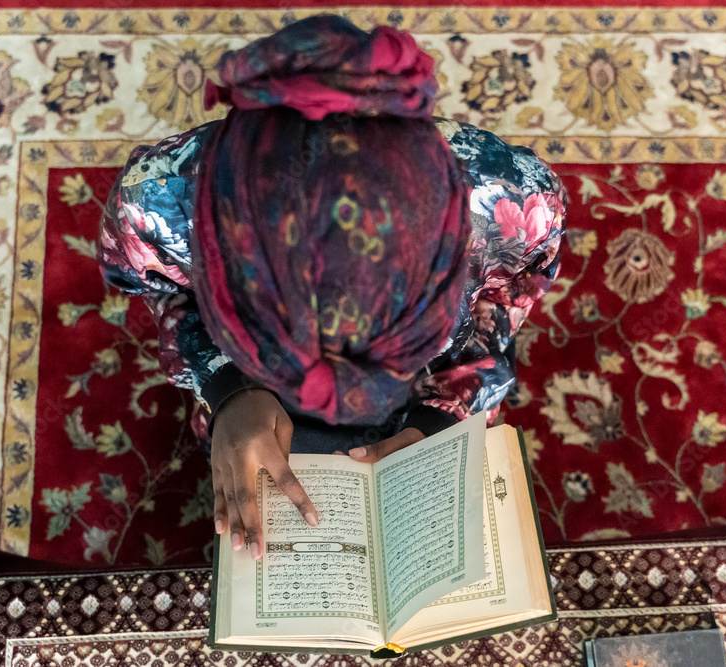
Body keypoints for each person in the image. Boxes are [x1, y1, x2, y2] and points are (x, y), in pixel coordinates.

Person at [98, 14, 567, 562]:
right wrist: (228, 389)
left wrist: (444, 415)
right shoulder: (154, 204)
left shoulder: (514, 200)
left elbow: (506, 298)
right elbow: (161, 289)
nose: (345, 402)